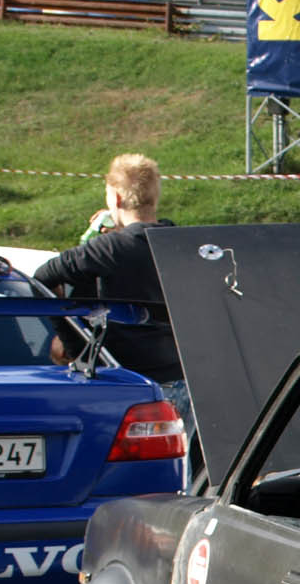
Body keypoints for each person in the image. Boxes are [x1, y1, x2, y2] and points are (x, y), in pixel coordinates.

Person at [32, 154, 190, 451]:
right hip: (181, 378)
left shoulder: (106, 250)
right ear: (156, 196)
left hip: (126, 382)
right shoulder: (182, 242)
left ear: (115, 198)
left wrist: (74, 342)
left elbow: (42, 278)